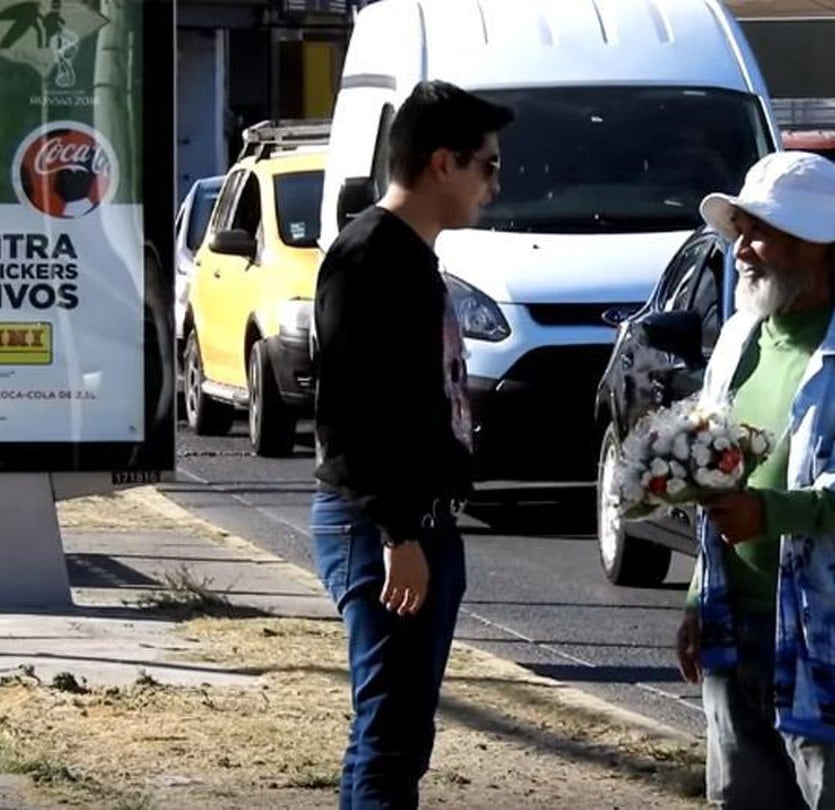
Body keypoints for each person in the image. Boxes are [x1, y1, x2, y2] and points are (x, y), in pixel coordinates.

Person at [676, 151, 835, 809]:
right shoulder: (740, 337)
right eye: (739, 231)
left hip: (833, 631)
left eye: (760, 231)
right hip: (737, 617)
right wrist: (696, 599)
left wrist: (770, 513)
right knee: (743, 793)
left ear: (818, 245)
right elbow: (710, 469)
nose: (742, 250)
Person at [309, 80, 513, 809]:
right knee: (391, 736)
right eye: (487, 164)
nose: (495, 181)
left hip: (414, 519)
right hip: (380, 523)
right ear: (440, 164)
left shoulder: (408, 253)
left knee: (395, 734)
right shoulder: (371, 257)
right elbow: (352, 412)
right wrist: (398, 531)